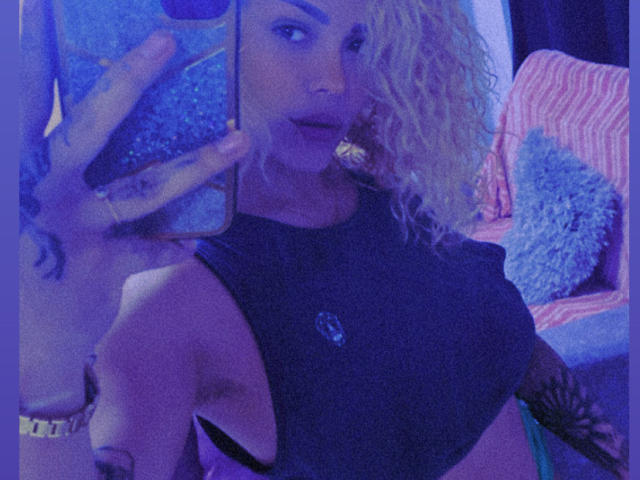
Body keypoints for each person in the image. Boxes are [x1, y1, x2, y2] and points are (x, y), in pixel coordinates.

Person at [19, 0, 629, 479]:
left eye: (356, 42)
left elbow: (507, 347)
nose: (335, 81)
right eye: (292, 31)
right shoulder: (169, 288)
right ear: (213, 40)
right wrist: (45, 367)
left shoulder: (382, 190)